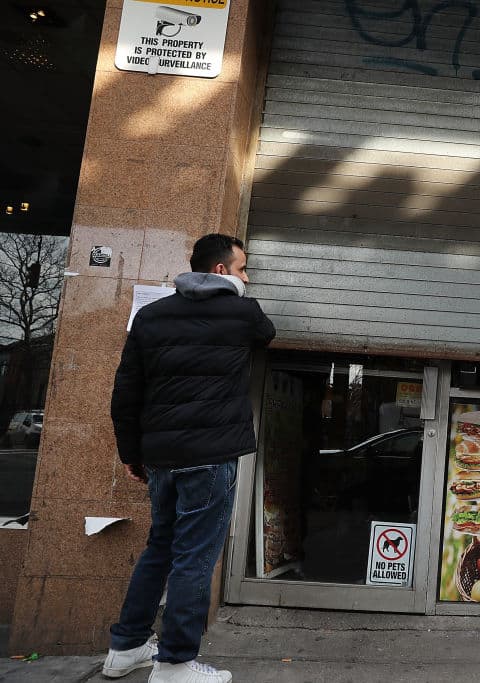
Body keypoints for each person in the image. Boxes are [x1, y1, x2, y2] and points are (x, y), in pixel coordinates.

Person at [103, 234, 275, 683]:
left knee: (160, 548)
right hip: (210, 457)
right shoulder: (242, 313)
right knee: (194, 557)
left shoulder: (151, 315)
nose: (246, 277)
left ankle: (126, 647)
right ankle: (175, 664)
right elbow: (267, 334)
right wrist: (236, 295)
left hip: (161, 457)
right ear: (221, 271)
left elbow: (125, 393)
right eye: (242, 269)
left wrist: (131, 454)